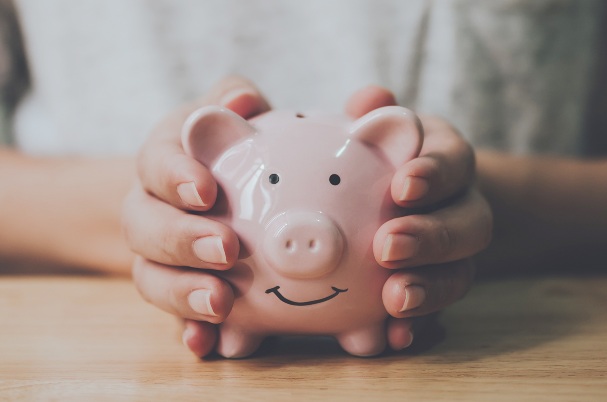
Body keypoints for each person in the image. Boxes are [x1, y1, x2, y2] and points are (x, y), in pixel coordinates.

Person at [1, 0, 605, 356]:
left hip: (532, 327)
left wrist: (501, 203)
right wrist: (154, 215)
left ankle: (353, 331)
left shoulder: (397, 159)